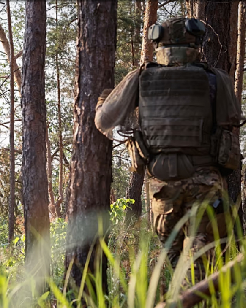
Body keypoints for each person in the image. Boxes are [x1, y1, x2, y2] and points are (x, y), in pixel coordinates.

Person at [95, 17, 241, 285]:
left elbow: (104, 122)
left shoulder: (140, 76)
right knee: (206, 258)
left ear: (157, 42)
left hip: (163, 185)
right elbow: (230, 120)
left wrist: (103, 101)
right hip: (205, 182)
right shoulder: (216, 79)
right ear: (196, 42)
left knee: (171, 255)